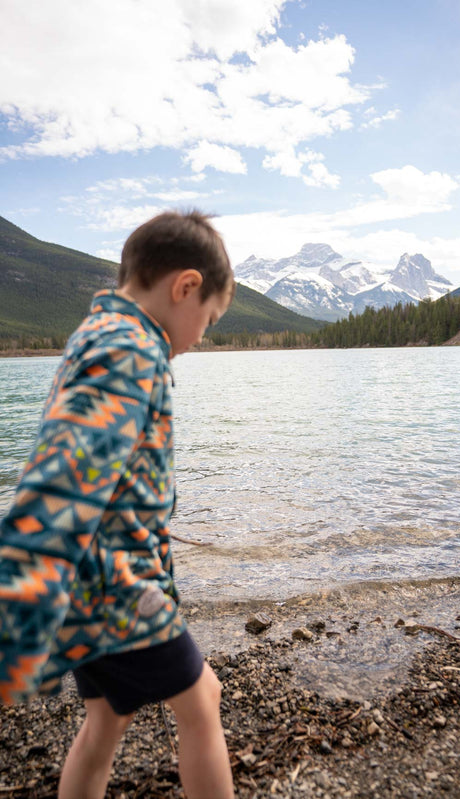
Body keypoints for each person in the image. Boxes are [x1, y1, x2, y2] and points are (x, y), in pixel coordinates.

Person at [0, 211, 236, 799]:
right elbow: (61, 485)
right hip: (114, 588)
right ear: (185, 286)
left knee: (107, 718)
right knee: (203, 699)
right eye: (207, 318)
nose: (202, 335)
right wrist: (16, 625)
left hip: (94, 584)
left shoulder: (100, 334)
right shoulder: (129, 349)